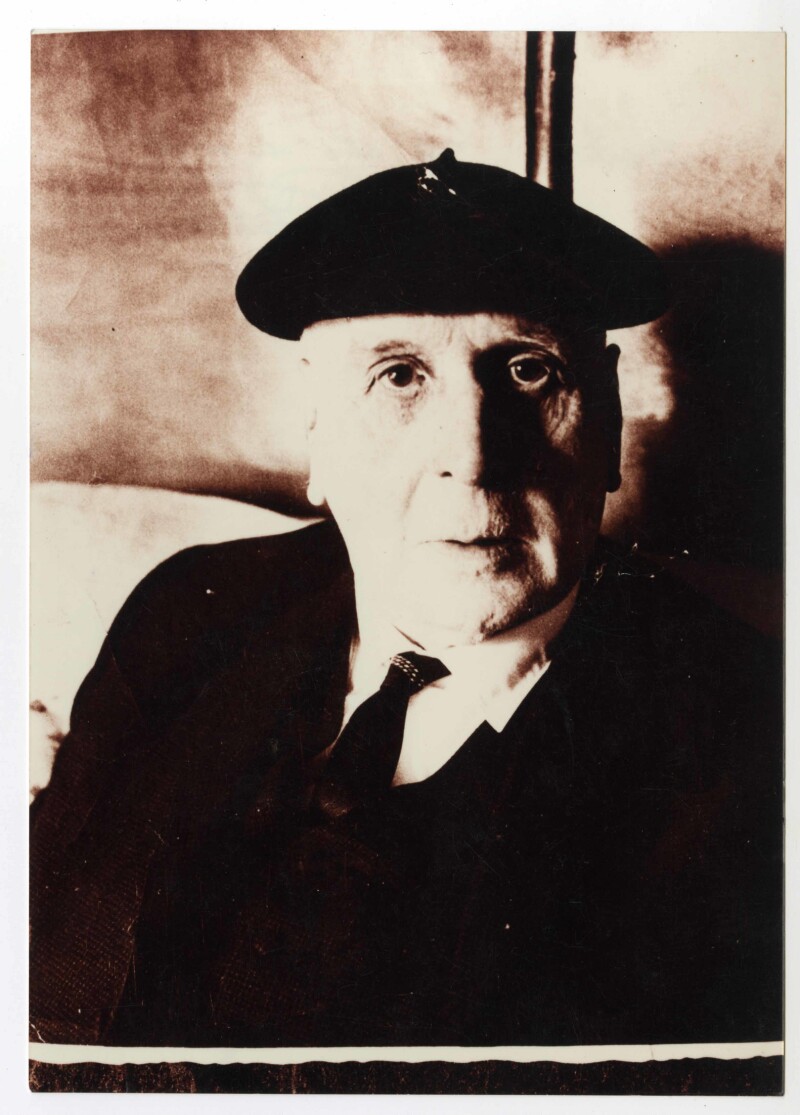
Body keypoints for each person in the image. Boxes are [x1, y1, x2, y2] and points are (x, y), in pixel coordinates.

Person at [30, 150, 782, 1050]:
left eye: (529, 371)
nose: (471, 456)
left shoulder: (746, 737)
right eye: (398, 376)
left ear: (611, 419)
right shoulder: (188, 615)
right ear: (315, 426)